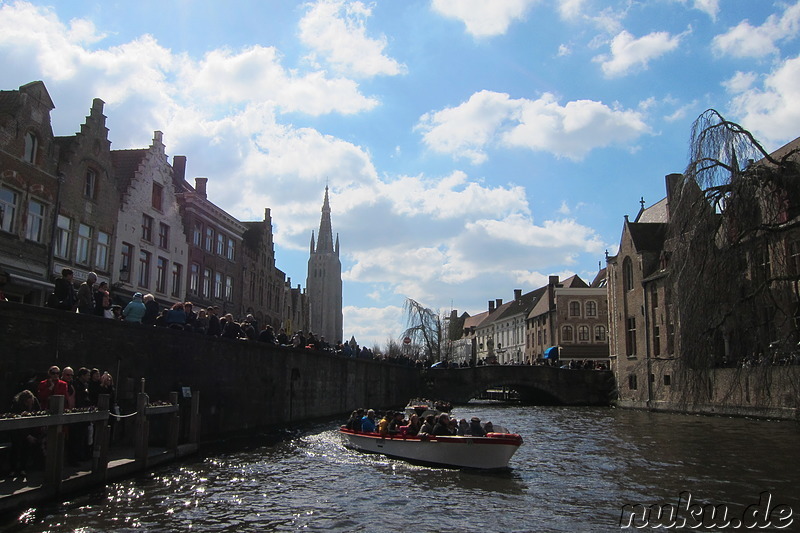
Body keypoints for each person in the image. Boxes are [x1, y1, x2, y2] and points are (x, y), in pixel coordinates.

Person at [9, 390, 43, 478]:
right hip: (17, 430)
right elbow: (14, 419)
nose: (30, 404)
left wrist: (31, 414)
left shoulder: (35, 401)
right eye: (27, 403)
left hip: (30, 428)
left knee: (26, 448)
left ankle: (22, 469)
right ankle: (13, 469)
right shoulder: (17, 403)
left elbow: (39, 412)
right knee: (15, 448)